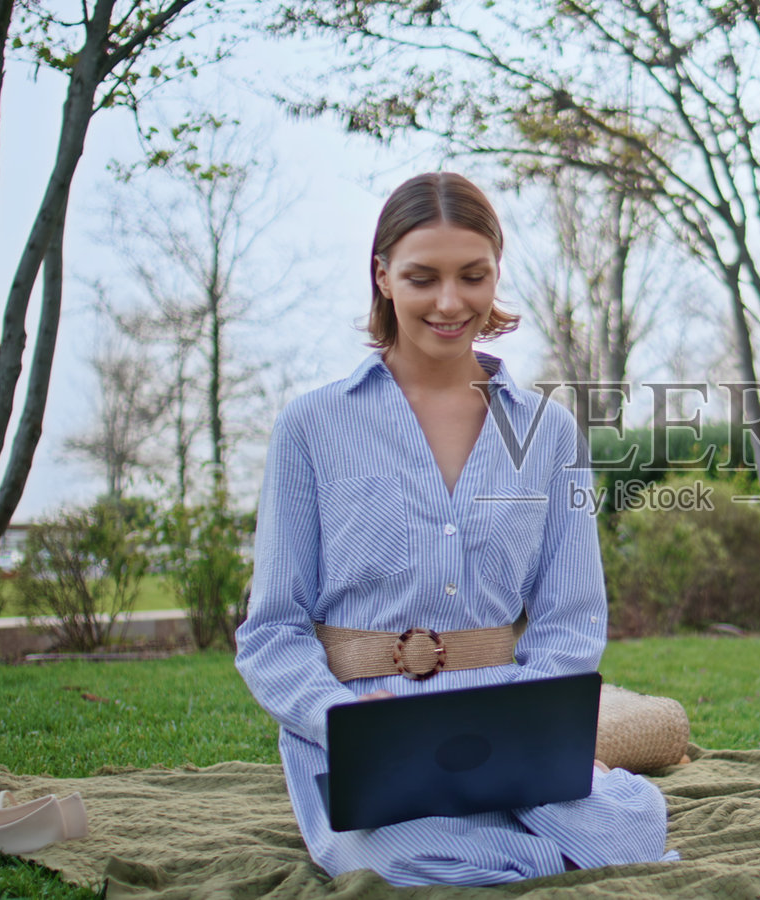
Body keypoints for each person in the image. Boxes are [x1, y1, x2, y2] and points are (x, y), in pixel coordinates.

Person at [235, 172, 678, 886]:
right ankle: (529, 862)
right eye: (422, 277)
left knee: (630, 824)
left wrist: (536, 735)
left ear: (496, 273)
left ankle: (532, 843)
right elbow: (272, 632)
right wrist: (340, 722)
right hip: (363, 745)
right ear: (382, 277)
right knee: (412, 863)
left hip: (506, 741)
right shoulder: (311, 426)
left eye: (473, 276)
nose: (450, 302)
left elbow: (570, 619)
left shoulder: (547, 429)